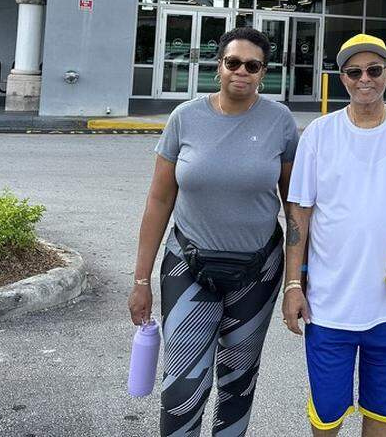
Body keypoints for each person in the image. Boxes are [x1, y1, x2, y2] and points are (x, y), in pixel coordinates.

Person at [128, 26, 299, 437]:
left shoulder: (280, 121)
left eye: (252, 65)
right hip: (188, 265)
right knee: (182, 386)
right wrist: (140, 279)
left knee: (238, 383)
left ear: (263, 72)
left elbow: (295, 207)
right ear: (218, 66)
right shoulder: (185, 118)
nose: (242, 71)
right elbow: (158, 202)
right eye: (233, 62)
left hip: (257, 271)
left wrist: (297, 279)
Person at [282, 33, 386, 436]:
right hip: (330, 309)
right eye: (354, 72)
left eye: (374, 70)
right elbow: (298, 214)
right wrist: (292, 285)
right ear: (342, 78)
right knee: (326, 417)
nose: (364, 79)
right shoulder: (320, 135)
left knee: (382, 415)